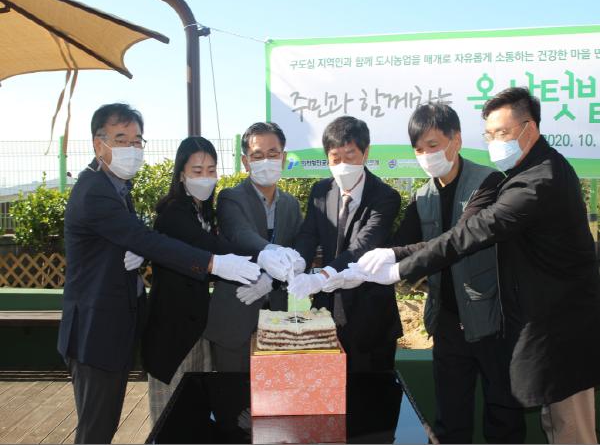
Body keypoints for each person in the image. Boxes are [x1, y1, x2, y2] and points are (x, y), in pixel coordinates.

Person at [350, 88, 600, 444]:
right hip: (513, 323)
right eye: (490, 135)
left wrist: (400, 268)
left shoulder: (535, 180)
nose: (496, 142)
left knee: (568, 428)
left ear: (529, 128)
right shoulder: (519, 172)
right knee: (542, 423)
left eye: (503, 133)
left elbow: (471, 232)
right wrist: (386, 257)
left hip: (557, 328)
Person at [57, 104, 260, 444]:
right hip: (95, 331)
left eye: (137, 140)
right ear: (98, 144)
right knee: (97, 429)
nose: (132, 148)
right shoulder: (95, 190)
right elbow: (146, 239)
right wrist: (215, 263)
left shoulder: (118, 187)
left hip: (116, 329)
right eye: (121, 139)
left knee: (105, 425)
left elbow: (126, 238)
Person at [362, 103, 525, 443]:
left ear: (457, 140)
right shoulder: (422, 196)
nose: (426, 156)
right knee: (450, 417)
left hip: (492, 318)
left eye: (433, 145)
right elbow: (401, 242)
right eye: (419, 149)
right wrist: (354, 266)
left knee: (503, 414)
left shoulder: (488, 183)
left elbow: (457, 239)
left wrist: (395, 258)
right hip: (447, 319)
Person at [287, 115, 402, 371]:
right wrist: (298, 261)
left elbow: (363, 245)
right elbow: (308, 234)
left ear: (365, 153)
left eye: (350, 156)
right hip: (326, 314)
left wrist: (322, 276)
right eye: (335, 158)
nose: (342, 165)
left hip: (370, 317)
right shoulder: (320, 192)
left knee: (369, 391)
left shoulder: (385, 197)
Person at [141, 137, 240, 424]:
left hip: (196, 329)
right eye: (197, 171)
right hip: (172, 334)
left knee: (196, 414)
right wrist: (262, 257)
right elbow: (210, 249)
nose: (205, 177)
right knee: (171, 419)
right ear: (181, 174)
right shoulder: (173, 214)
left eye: (211, 170)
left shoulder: (203, 210)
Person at [203, 122, 304, 371]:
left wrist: (273, 279)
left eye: (273, 154)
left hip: (277, 319)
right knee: (232, 391)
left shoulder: (291, 205)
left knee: (273, 388)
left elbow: (298, 252)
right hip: (234, 316)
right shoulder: (230, 197)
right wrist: (270, 252)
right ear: (246, 162)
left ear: (283, 158)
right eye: (258, 155)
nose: (266, 161)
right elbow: (240, 233)